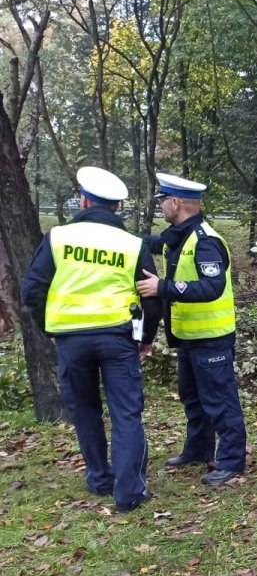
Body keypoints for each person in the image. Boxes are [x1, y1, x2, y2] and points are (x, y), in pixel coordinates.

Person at [21, 167, 162, 513]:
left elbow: (32, 290)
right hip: (117, 339)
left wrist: (50, 329)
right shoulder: (132, 245)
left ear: (83, 200)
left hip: (71, 340)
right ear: (116, 208)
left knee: (85, 410)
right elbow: (152, 297)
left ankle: (100, 478)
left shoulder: (58, 238)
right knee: (126, 413)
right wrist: (146, 338)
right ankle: (129, 493)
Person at [135, 172, 246, 487]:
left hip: (211, 339)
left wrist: (163, 287)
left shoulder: (205, 240)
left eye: (162, 202)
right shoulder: (179, 234)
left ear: (175, 202)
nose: (160, 207)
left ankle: (231, 461)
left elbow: (211, 287)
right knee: (193, 398)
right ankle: (198, 451)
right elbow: (152, 243)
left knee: (220, 401)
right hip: (189, 338)